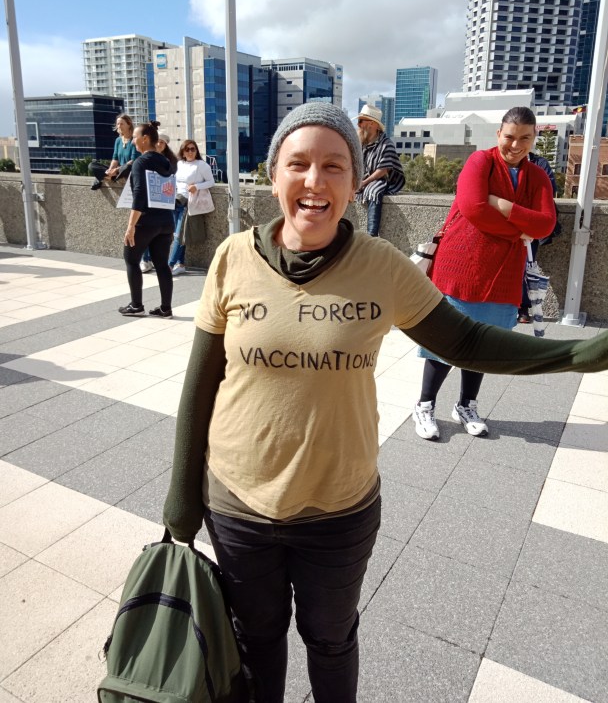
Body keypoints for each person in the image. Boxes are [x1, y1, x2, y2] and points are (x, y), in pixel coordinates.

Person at [162, 102, 608, 703]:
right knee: (256, 639)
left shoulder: (381, 266)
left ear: (355, 180)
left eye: (334, 166)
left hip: (338, 511)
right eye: (298, 164)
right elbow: (200, 385)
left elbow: (467, 342)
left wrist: (582, 353)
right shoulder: (232, 257)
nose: (315, 181)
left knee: (330, 640)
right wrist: (180, 500)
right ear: (273, 175)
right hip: (238, 504)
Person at [413, 107, 557, 441]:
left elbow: (546, 223)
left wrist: (504, 206)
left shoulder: (537, 176)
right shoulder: (480, 162)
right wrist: (519, 231)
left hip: (503, 274)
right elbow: (474, 208)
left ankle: (466, 404)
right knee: (446, 340)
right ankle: (425, 404)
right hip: (461, 265)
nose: (516, 145)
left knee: (483, 343)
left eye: (525, 138)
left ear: (534, 138)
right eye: (510, 137)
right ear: (498, 135)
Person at [119, 121, 175, 318]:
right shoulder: (166, 162)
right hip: (166, 221)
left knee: (131, 260)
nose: (133, 141)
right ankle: (166, 308)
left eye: (135, 137)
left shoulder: (140, 163)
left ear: (144, 139)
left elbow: (139, 194)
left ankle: (136, 305)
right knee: (162, 265)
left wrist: (131, 226)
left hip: (146, 222)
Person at [517, 151, 559, 324]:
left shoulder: (539, 163)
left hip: (530, 225)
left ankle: (523, 308)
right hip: (506, 223)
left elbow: (550, 189)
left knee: (526, 266)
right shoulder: (498, 163)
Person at [354, 104, 404, 236]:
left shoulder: (386, 144)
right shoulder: (360, 143)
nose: (358, 125)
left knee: (374, 191)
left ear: (372, 124)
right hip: (362, 178)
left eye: (361, 121)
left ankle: (372, 234)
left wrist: (364, 183)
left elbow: (383, 170)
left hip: (380, 180)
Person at [168, 139, 215, 277]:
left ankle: (169, 265)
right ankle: (180, 264)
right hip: (175, 201)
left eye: (192, 149)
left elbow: (211, 182)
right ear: (182, 152)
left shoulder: (201, 165)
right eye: (187, 149)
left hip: (188, 203)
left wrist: (197, 186)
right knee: (178, 235)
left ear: (196, 151)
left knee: (179, 235)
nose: (190, 152)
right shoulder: (179, 164)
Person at [140, 131, 178, 274]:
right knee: (146, 230)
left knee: (162, 233)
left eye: (162, 142)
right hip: (149, 199)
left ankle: (158, 260)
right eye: (158, 141)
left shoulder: (171, 160)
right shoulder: (146, 157)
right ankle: (145, 259)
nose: (159, 144)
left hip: (165, 198)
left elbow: (170, 175)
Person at [90, 113, 139, 191]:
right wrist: (110, 170)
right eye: (118, 124)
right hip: (118, 171)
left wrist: (116, 170)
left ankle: (103, 177)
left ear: (129, 124)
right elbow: (115, 159)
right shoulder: (118, 140)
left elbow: (133, 160)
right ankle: (109, 176)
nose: (119, 126)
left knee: (127, 167)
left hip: (127, 170)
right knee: (92, 165)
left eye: (122, 124)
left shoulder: (134, 140)